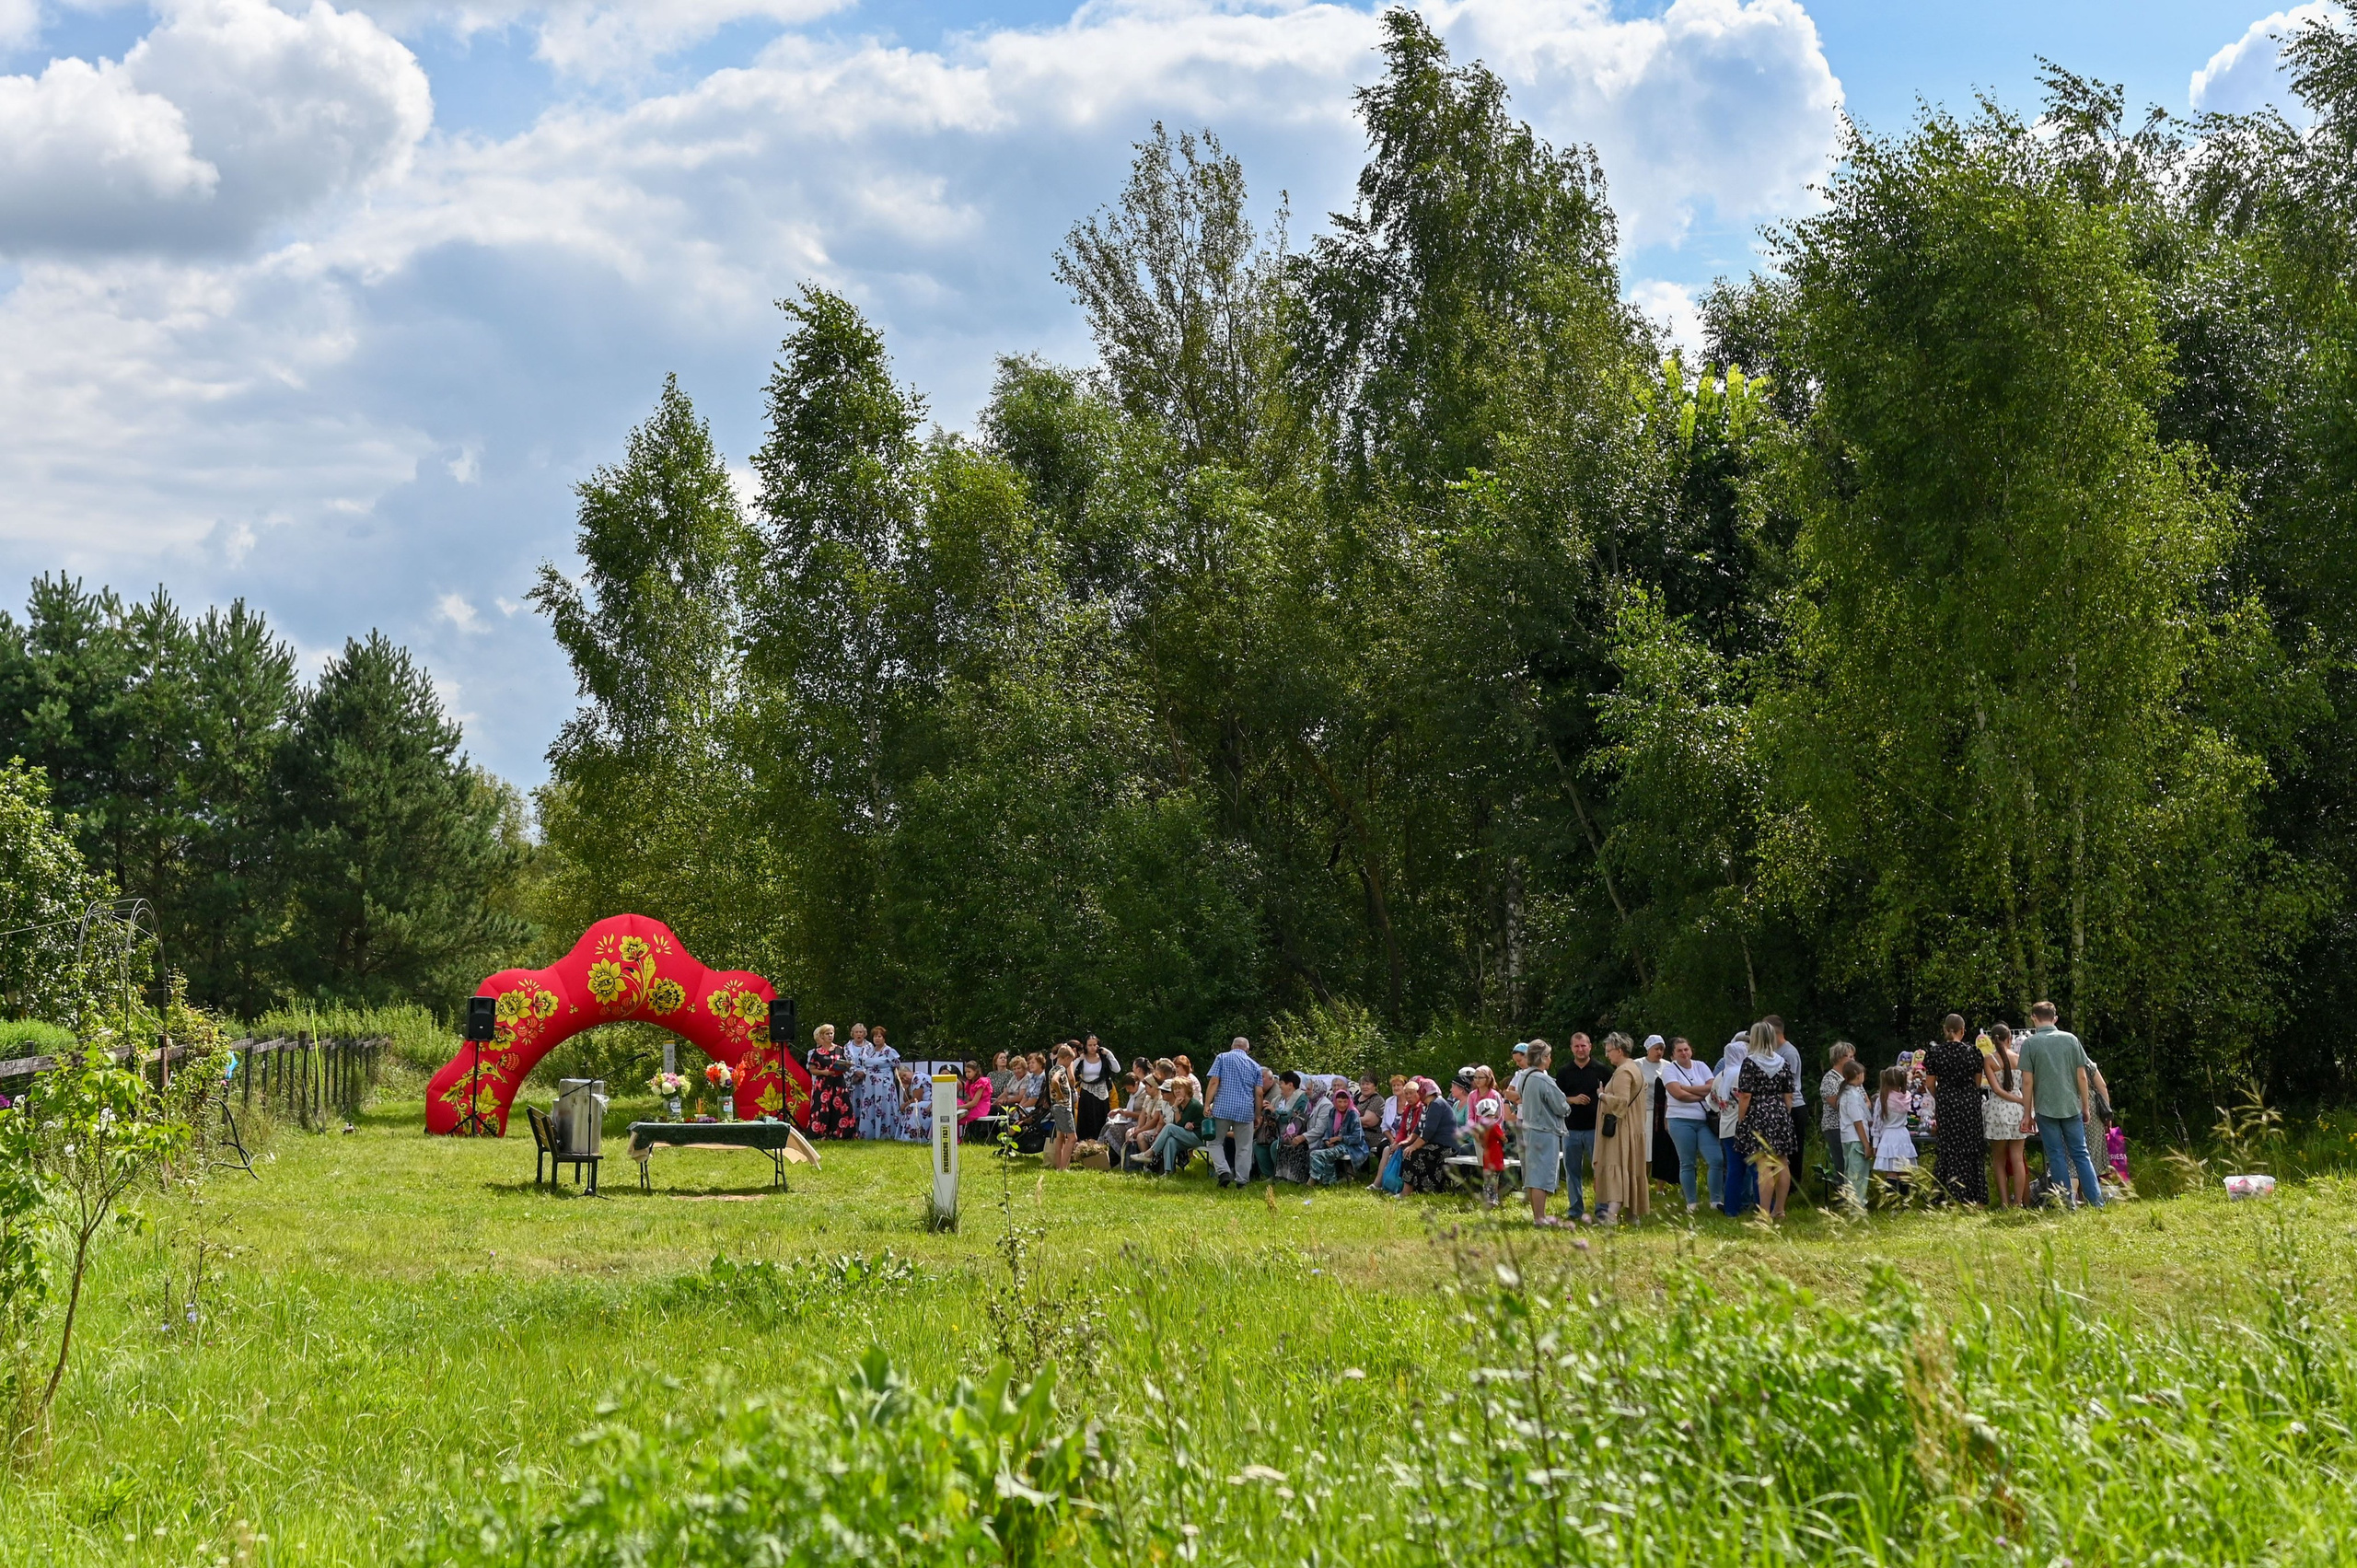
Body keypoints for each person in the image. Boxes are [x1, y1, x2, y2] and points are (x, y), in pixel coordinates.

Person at [2018, 1001, 2106, 1208]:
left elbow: (2028, 1081)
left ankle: (2067, 1204)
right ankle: (2096, 1201)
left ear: (2033, 1018)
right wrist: (2085, 1106)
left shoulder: (2030, 1044)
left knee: (2056, 1155)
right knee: (2081, 1153)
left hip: (2045, 1108)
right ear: (2055, 1018)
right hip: (2070, 1105)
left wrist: (2027, 1113)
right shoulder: (2071, 1040)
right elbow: (2082, 1077)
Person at [1734, 1020, 1797, 1221]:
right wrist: (1784, 1114)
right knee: (1782, 1162)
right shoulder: (1782, 1062)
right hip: (1779, 1112)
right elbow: (1789, 1094)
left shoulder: (1750, 1062)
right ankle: (1780, 1210)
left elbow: (1745, 1095)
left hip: (1758, 1113)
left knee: (1764, 1165)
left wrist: (1741, 1118)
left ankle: (1764, 1213)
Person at [1922, 1014, 1988, 1205]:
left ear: (1944, 1030)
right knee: (1971, 1148)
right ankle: (1975, 1197)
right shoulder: (1974, 1052)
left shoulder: (1934, 1053)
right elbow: (1977, 1083)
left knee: (1949, 1149)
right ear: (1963, 1030)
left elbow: (1931, 1084)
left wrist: (1941, 1096)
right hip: (1969, 1104)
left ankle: (1945, 1196)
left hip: (1947, 1103)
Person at [1659, 1036, 1722, 1211]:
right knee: (1687, 1163)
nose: (1684, 1053)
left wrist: (1686, 1088)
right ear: (1672, 1055)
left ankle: (1716, 1201)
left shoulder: (1701, 1066)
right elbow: (1678, 1095)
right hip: (1679, 1120)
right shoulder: (1669, 1071)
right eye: (1679, 1050)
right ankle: (1691, 1203)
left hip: (1704, 1120)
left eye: (1686, 1049)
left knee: (1716, 1159)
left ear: (1691, 1050)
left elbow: (1712, 1087)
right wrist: (1702, 1094)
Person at [1593, 1033, 1650, 1225]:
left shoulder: (1623, 1072)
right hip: (1633, 1128)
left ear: (1619, 1050)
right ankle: (1632, 1215)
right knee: (1630, 1169)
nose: (1607, 1056)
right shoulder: (1635, 1068)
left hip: (1621, 1130)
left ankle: (1611, 1216)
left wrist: (1602, 1096)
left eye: (1609, 1051)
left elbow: (1622, 1102)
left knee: (1616, 1168)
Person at [1551, 1033, 1609, 1222]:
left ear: (1590, 1046)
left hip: (1596, 1128)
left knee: (1599, 1170)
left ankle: (1602, 1209)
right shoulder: (1564, 1072)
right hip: (1571, 1128)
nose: (1580, 1049)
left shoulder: (1602, 1070)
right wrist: (1573, 1100)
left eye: (1583, 1046)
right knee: (1572, 1170)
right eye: (1576, 1046)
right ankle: (1575, 1209)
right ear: (1571, 1048)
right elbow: (1556, 1098)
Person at [1517, 1041, 1572, 1225]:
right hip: (1544, 1130)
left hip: (1529, 1129)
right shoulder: (1543, 1079)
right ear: (1541, 1057)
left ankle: (1537, 1215)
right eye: (1548, 1056)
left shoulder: (1524, 1076)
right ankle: (1540, 1218)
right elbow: (1560, 1105)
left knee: (1533, 1175)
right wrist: (1567, 1107)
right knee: (1541, 1176)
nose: (1550, 1059)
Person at [1205, 1037, 1267, 1190]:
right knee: (1244, 1147)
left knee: (1214, 1142)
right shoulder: (1255, 1066)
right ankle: (1242, 1180)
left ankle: (1224, 1171)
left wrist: (1207, 1103)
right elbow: (1259, 1093)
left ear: (1232, 1046)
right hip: (1245, 1111)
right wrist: (1258, 1115)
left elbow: (1214, 1082)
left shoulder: (1222, 1058)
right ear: (1247, 1049)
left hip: (1223, 1108)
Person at [1981, 1024, 2029, 1206]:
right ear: (2010, 1039)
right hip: (2018, 1111)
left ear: (1993, 1040)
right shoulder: (2020, 1058)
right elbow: (2025, 1085)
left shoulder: (1989, 1059)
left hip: (1998, 1112)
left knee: (1999, 1160)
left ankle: (2004, 1202)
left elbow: (1996, 1089)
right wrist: (2022, 1102)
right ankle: (2018, 1202)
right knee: (2018, 1158)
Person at [1713, 1035, 1755, 1216]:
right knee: (1755, 1168)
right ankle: (1764, 1207)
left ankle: (1731, 1208)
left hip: (1726, 1128)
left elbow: (1713, 1103)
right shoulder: (1744, 1075)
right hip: (1746, 1126)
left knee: (1734, 1169)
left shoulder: (1719, 1077)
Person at [1767, 1016, 1808, 1193]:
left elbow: (1788, 1086)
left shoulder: (1788, 1052)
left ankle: (1793, 1187)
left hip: (1793, 1106)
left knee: (1793, 1149)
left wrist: (1785, 1110)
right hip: (1781, 1106)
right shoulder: (1774, 1052)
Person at [804, 1023, 858, 1139]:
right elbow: (812, 1069)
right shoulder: (817, 1052)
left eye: (831, 1033)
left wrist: (845, 1067)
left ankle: (842, 1134)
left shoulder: (840, 1049)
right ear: (822, 1036)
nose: (830, 1036)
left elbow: (845, 1063)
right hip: (823, 1083)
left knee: (841, 1107)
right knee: (822, 1108)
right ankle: (819, 1134)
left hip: (838, 1082)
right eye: (827, 1034)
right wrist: (824, 1072)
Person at [1401, 1076, 1455, 1194]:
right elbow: (1419, 1128)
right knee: (1410, 1152)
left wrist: (1413, 1146)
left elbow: (1428, 1131)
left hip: (1447, 1146)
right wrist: (1408, 1142)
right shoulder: (1428, 1106)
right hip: (1437, 1145)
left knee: (1412, 1154)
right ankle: (1421, 1188)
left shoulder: (1437, 1104)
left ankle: (1406, 1192)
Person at [1872, 1065, 1917, 1199]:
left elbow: (1877, 1122)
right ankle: (1905, 1202)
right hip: (1903, 1135)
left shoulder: (1883, 1098)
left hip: (1888, 1136)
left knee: (1891, 1172)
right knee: (1904, 1171)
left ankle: (1892, 1203)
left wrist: (1875, 1143)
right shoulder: (1907, 1097)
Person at [1310, 1086, 1368, 1184]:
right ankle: (1329, 1181)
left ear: (1349, 1101)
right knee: (1315, 1151)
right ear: (1335, 1102)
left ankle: (1312, 1181)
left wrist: (1340, 1138)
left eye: (1345, 1102)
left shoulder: (1353, 1115)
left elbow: (1357, 1137)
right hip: (1336, 1144)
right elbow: (1328, 1130)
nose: (1342, 1105)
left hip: (1352, 1147)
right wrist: (1327, 1140)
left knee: (1316, 1154)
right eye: (1339, 1102)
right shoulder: (1333, 1112)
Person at [1818, 1041, 1855, 1195]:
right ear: (1839, 1058)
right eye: (1849, 1056)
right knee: (1841, 1163)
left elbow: (1865, 1100)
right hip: (1835, 1127)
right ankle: (1843, 1197)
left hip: (1852, 1127)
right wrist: (1856, 1107)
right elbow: (1837, 1104)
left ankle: (1853, 1195)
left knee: (1852, 1162)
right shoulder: (1830, 1079)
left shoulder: (1852, 1077)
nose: (1853, 1060)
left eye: (1854, 1056)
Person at [1643, 1035, 1678, 1188]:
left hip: (1663, 1111)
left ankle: (1660, 1186)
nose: (1659, 1052)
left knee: (1661, 1147)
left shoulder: (1668, 1066)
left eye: (1661, 1049)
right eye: (1656, 1049)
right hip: (1644, 1111)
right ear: (1648, 1049)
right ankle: (1643, 1183)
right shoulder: (1638, 1065)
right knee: (1645, 1150)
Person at [1467, 1070, 1507, 1206]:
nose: (1477, 1080)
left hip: (1492, 1136)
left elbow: (1500, 1116)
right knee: (1485, 1167)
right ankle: (1489, 1197)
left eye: (1481, 1077)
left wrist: (1490, 1131)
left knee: (1492, 1171)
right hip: (1478, 1133)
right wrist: (1476, 1131)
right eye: (1475, 1077)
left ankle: (1492, 1197)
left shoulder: (1495, 1095)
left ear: (1488, 1078)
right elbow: (1471, 1116)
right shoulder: (1472, 1095)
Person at [1837, 1057, 1871, 1208]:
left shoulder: (1847, 1093)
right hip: (1856, 1140)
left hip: (1847, 1139)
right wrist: (1866, 1145)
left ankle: (1852, 1206)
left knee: (1850, 1175)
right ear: (1858, 1075)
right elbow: (1858, 1122)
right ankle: (1857, 1209)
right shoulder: (1852, 1096)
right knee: (1858, 1176)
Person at [1266, 1071, 1311, 1183]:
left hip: (1294, 1133)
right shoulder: (1279, 1099)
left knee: (1276, 1146)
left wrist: (1275, 1111)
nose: (1279, 1086)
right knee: (1259, 1146)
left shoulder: (1301, 1098)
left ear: (1290, 1085)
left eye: (1281, 1083)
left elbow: (1293, 1117)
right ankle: (1270, 1174)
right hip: (1275, 1131)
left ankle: (1284, 1177)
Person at [1074, 1036, 1115, 1143]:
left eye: (1094, 1045)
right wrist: (1078, 1059)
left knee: (1100, 1117)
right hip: (1087, 1091)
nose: (1092, 1048)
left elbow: (1117, 1069)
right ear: (1086, 1046)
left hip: (1101, 1092)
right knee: (1087, 1118)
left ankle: (1101, 1142)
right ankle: (1085, 1143)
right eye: (1090, 1045)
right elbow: (1071, 1070)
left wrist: (1109, 1054)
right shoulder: (1083, 1059)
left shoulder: (1103, 1058)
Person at [1044, 1043, 1079, 1170]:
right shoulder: (1061, 1069)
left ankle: (1058, 1165)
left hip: (1056, 1107)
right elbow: (1054, 1081)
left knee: (1061, 1137)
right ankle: (1063, 1168)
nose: (1071, 1063)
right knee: (1072, 1138)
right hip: (1063, 1107)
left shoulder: (1052, 1068)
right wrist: (1059, 1094)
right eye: (1071, 1060)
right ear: (1065, 1058)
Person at [958, 1060, 993, 1140]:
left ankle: (958, 1139)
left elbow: (974, 1102)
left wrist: (958, 1107)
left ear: (976, 1071)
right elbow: (969, 1099)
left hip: (980, 1107)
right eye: (966, 1072)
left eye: (969, 1072)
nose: (967, 1074)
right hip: (973, 1105)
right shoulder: (970, 1082)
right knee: (957, 1101)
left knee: (957, 1118)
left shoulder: (981, 1082)